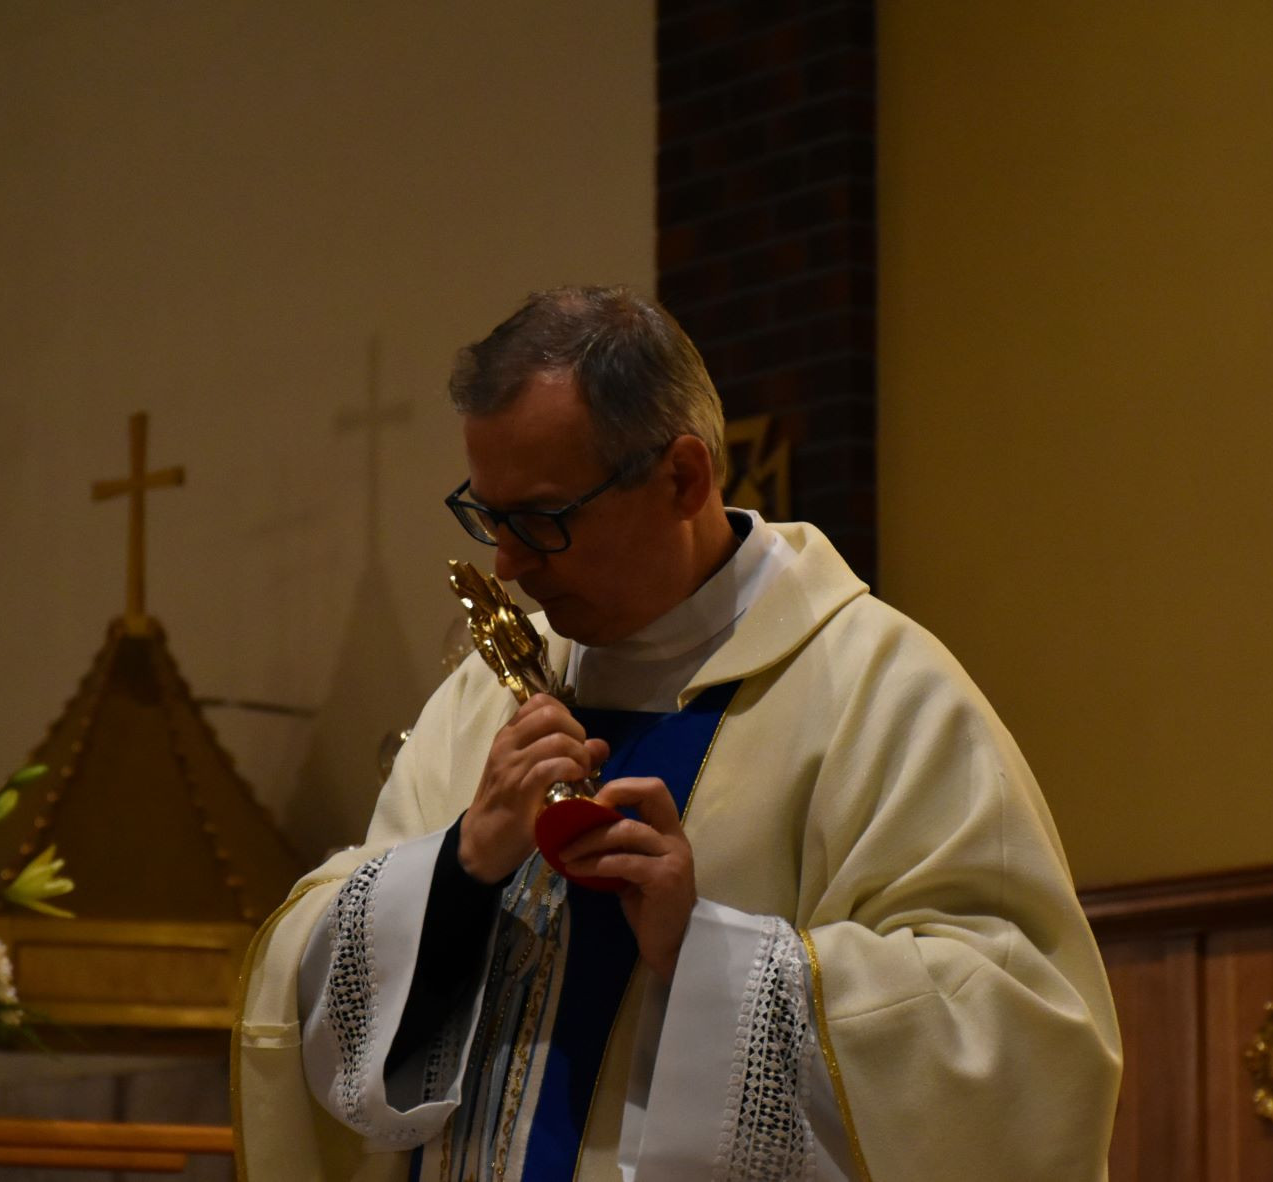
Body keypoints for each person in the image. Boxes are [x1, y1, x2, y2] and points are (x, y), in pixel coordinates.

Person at [235, 286, 1121, 1181]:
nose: (507, 564)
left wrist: (707, 956)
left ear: (682, 478)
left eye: (542, 520)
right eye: (488, 517)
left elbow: (1015, 1037)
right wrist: (459, 868)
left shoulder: (878, 694)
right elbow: (305, 975)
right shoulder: (481, 698)